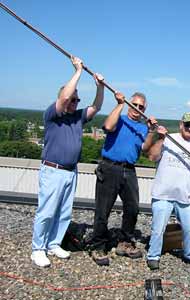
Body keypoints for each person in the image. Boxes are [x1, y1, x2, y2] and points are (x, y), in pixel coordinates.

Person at [31, 56, 105, 268]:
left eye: (77, 100)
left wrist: (99, 86)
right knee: (46, 211)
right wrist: (78, 72)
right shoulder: (52, 115)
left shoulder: (78, 117)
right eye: (72, 99)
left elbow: (97, 106)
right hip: (52, 170)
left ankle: (54, 243)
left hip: (71, 171)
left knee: (64, 212)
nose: (74, 103)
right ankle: (38, 249)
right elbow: (63, 99)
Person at [90, 91, 160, 266]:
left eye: (141, 107)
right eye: (134, 104)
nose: (137, 109)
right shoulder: (120, 119)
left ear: (145, 109)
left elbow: (145, 147)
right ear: (129, 104)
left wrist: (151, 130)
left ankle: (125, 242)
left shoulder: (143, 128)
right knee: (103, 209)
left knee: (132, 208)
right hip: (110, 167)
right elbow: (108, 126)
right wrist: (120, 104)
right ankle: (98, 245)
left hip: (129, 170)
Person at [146, 112, 190, 270]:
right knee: (158, 229)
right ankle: (153, 256)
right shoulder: (168, 138)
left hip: (184, 197)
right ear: (181, 124)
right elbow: (152, 157)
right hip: (163, 195)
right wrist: (160, 138)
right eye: (187, 124)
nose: (189, 128)